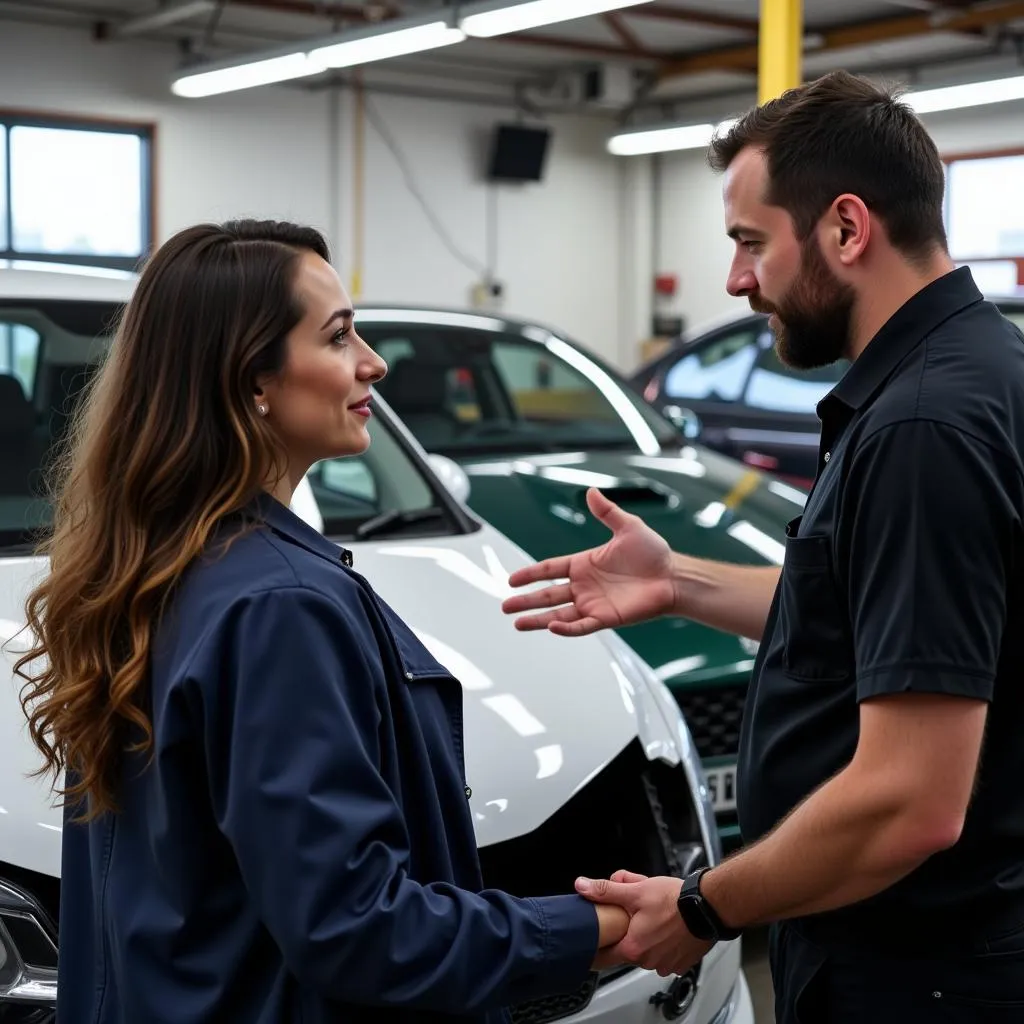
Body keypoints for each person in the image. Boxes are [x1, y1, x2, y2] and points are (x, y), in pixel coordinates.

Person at [502, 70, 1024, 1022]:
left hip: (921, 974)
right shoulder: (974, 372)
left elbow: (912, 798)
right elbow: (880, 612)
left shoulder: (922, 427)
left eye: (750, 243)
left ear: (846, 229)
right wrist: (680, 583)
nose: (737, 280)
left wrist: (703, 907)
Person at [14, 219, 628, 1024]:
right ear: (252, 382)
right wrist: (605, 926)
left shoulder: (145, 564)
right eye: (338, 337)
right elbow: (360, 932)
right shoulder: (277, 606)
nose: (372, 361)